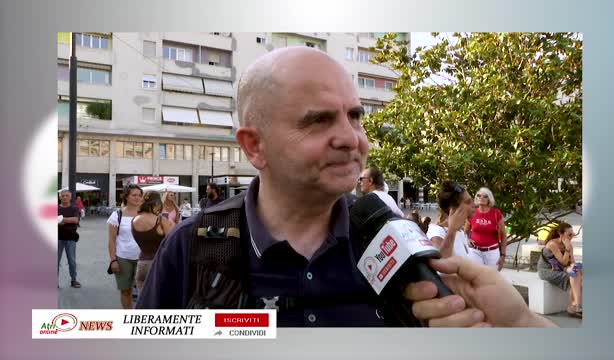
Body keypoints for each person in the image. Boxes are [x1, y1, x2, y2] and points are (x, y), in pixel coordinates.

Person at [137, 47, 553, 328]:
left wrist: (518, 325)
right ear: (254, 145)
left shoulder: (391, 242)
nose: (351, 138)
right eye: (318, 120)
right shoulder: (194, 248)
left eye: (354, 116)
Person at [131, 191, 175, 294]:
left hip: (142, 264)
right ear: (156, 204)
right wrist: (172, 225)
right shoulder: (160, 220)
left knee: (143, 300)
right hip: (158, 263)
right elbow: (170, 243)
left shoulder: (134, 220)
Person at [107, 184, 143, 309]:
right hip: (123, 258)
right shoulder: (117, 215)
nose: (137, 198)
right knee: (125, 291)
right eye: (134, 195)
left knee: (143, 292)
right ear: (126, 196)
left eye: (139, 195)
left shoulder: (147, 213)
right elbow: (111, 240)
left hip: (143, 259)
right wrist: (113, 260)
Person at [538, 222, 582, 318]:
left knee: (577, 271)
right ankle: (575, 306)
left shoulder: (569, 245)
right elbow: (563, 262)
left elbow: (572, 262)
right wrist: (567, 249)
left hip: (560, 269)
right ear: (561, 235)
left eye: (572, 234)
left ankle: (573, 306)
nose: (571, 237)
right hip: (547, 270)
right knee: (573, 275)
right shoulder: (552, 244)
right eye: (569, 235)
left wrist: (574, 267)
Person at [426, 181, 475, 259]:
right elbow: (440, 263)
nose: (474, 205)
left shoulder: (460, 231)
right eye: (468, 202)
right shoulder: (437, 232)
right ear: (453, 209)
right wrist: (452, 230)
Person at [465, 187, 507, 271]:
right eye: (479, 195)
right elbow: (465, 231)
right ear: (476, 198)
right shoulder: (472, 212)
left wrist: (503, 255)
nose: (481, 198)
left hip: (492, 252)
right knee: (475, 277)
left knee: (491, 279)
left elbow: (503, 235)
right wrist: (467, 239)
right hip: (474, 252)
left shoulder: (496, 213)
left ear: (489, 199)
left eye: (485, 196)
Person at [58, 190, 81, 288]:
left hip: (71, 238)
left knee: (72, 261)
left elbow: (75, 220)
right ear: (59, 197)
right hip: (57, 238)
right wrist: (68, 220)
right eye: (63, 196)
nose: (64, 197)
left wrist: (60, 219)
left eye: (67, 196)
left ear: (70, 197)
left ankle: (73, 280)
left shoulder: (74, 208)